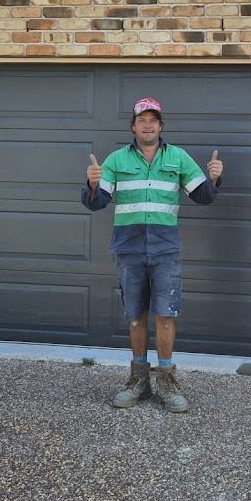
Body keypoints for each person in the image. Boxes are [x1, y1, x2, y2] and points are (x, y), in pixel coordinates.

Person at [82, 97, 223, 412]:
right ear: (133, 126)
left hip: (165, 251)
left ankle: (168, 383)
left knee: (165, 316)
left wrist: (213, 177)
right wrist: (92, 184)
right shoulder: (117, 160)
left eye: (153, 120)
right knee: (135, 318)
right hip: (129, 249)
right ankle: (138, 382)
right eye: (141, 120)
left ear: (160, 125)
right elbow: (97, 203)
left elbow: (203, 197)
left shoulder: (178, 158)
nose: (148, 125)